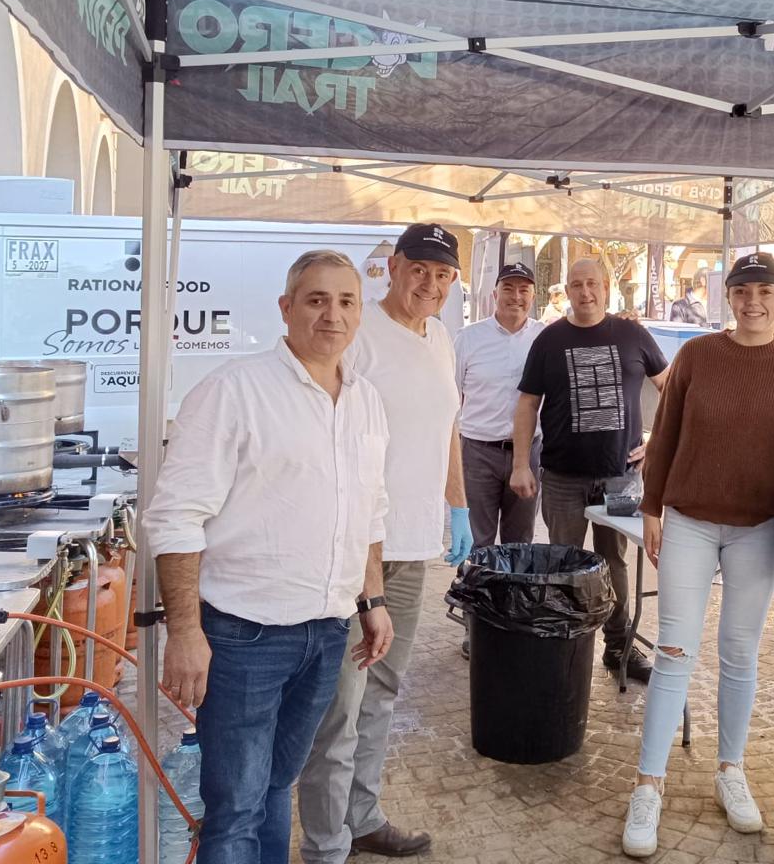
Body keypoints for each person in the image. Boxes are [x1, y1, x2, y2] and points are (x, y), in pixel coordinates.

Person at [144, 251, 395, 864]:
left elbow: (368, 511)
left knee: (279, 786)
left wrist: (374, 599)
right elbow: (175, 516)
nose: (331, 315)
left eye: (345, 302)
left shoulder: (365, 401)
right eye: (315, 300)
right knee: (235, 810)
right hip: (243, 637)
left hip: (327, 632)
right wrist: (184, 631)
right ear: (286, 309)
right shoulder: (234, 390)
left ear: (360, 314)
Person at [620, 253, 774, 858]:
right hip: (689, 521)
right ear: (727, 298)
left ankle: (731, 769)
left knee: (740, 652)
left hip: (760, 526)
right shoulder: (699, 356)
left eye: (765, 291)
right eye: (741, 291)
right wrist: (652, 507)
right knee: (675, 649)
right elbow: (668, 432)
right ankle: (648, 784)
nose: (752, 301)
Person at [298, 223, 470, 861]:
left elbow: (449, 427)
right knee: (341, 701)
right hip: (356, 551)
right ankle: (325, 841)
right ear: (393, 268)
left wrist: (458, 506)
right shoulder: (359, 332)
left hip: (413, 543)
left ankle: (362, 815)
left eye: (443, 274)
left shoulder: (441, 337)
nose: (430, 284)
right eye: (420, 268)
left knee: (385, 688)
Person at [511, 258, 669, 686]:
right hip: (563, 476)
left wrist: (655, 442)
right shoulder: (550, 340)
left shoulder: (633, 334)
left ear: (606, 287)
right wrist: (520, 463)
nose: (586, 292)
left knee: (615, 562)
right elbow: (527, 403)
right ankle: (568, 646)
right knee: (564, 563)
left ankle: (618, 647)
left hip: (618, 477)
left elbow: (672, 386)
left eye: (593, 284)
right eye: (577, 285)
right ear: (566, 289)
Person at [454, 263, 547, 553]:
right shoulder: (468, 338)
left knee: (520, 544)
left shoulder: (545, 338)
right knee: (476, 543)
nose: (515, 296)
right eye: (508, 288)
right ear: (495, 294)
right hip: (477, 453)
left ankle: (512, 600)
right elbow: (452, 396)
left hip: (529, 452)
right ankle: (477, 599)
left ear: (533, 296)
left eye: (523, 290)